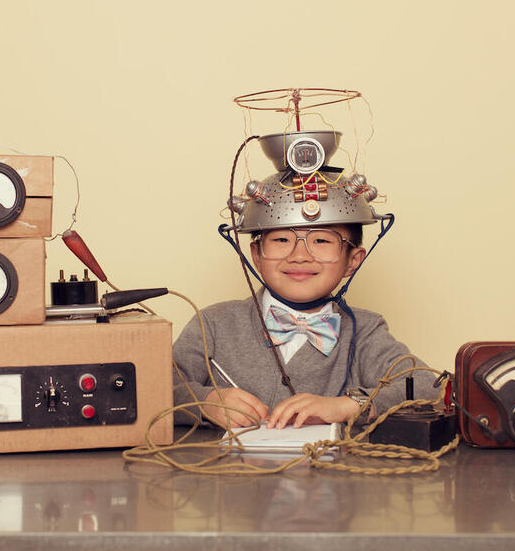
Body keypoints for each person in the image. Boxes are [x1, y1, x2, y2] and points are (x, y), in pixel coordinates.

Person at [172, 131, 436, 429]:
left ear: (353, 260)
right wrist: (203, 400)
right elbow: (154, 389)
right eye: (282, 239)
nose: (300, 255)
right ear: (255, 254)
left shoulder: (365, 330)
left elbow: (429, 387)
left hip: (330, 474)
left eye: (322, 241)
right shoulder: (213, 324)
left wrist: (347, 406)